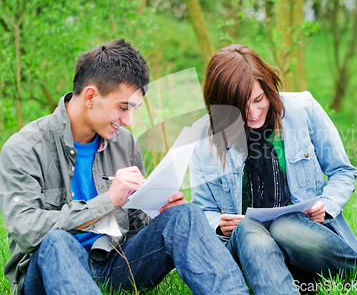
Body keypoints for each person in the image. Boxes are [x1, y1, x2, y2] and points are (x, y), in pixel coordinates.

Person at [0, 39, 249, 295]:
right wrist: (108, 200)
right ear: (90, 96)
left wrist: (158, 210)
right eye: (123, 108)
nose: (128, 121)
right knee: (58, 241)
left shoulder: (124, 143)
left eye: (134, 110)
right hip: (49, 271)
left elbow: (136, 225)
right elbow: (27, 231)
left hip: (112, 263)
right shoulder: (24, 148)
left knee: (185, 215)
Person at [190, 44, 357, 295]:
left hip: (304, 237)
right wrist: (218, 224)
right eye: (240, 107)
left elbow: (342, 172)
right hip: (249, 248)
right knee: (249, 228)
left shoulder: (304, 109)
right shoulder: (204, 138)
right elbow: (203, 208)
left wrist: (326, 204)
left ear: (268, 89)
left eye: (259, 99)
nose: (254, 112)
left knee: (284, 225)